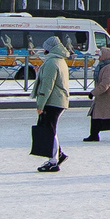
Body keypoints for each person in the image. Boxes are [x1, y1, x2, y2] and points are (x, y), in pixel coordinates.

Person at [31, 38, 71, 172]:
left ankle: (53, 161)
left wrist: (40, 105)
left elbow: (47, 86)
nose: (43, 50)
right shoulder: (59, 60)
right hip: (59, 100)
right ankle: (58, 154)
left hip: (52, 101)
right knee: (50, 128)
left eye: (45, 48)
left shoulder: (51, 62)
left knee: (49, 130)